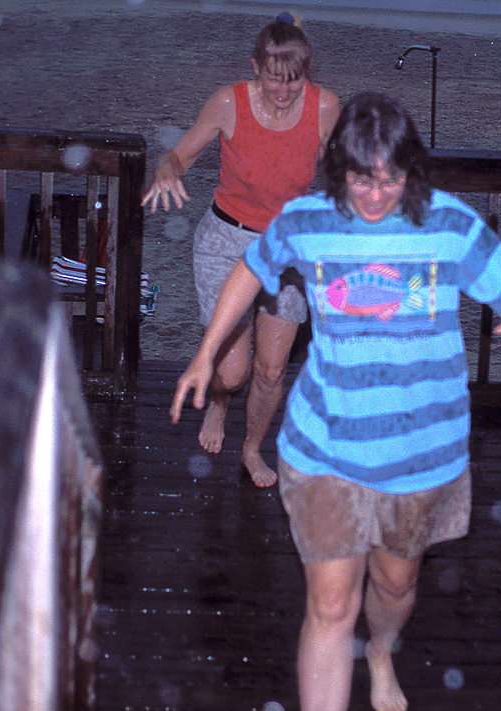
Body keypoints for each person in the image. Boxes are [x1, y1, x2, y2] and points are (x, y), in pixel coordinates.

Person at [170, 91, 501, 711]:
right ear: (337, 171)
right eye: (360, 178)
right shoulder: (307, 222)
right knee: (329, 605)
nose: (376, 194)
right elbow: (248, 269)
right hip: (326, 447)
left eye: (390, 178)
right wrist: (206, 352)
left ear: (410, 170)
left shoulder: (447, 225)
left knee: (397, 586)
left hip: (421, 453)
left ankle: (381, 654)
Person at [143, 12, 341, 487]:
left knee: (272, 370)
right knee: (232, 372)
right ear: (256, 67)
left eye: (294, 82)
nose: (283, 92)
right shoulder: (228, 103)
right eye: (274, 80)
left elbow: (343, 174)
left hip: (289, 249)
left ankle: (252, 448)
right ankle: (220, 400)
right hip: (226, 241)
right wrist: (166, 171)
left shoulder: (326, 107)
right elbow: (178, 154)